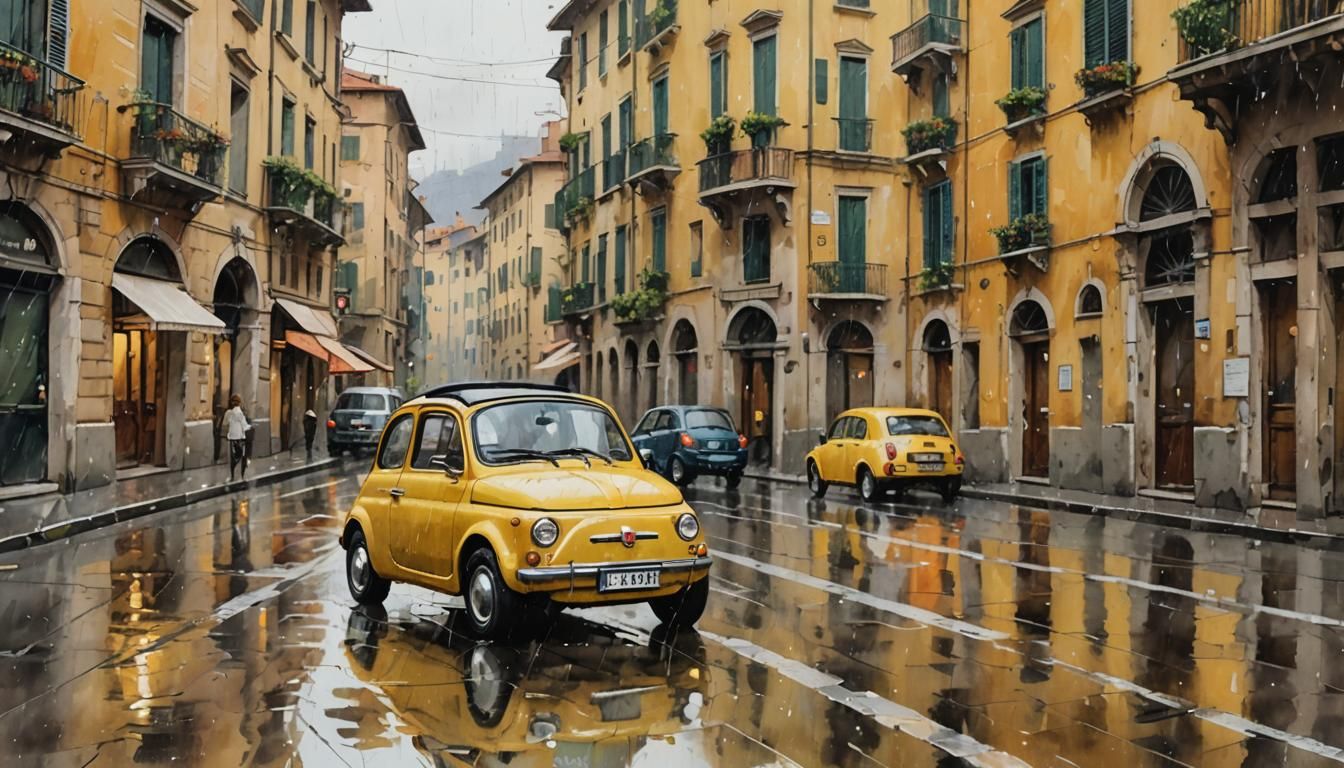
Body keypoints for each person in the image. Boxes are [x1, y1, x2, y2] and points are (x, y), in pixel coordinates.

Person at [224, 394, 251, 481]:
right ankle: (242, 476)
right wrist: (250, 426)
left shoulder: (229, 413)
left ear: (231, 403)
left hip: (232, 438)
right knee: (242, 456)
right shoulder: (240, 413)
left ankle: (232, 476)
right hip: (240, 438)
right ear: (239, 403)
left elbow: (225, 423)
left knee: (233, 457)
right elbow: (244, 426)